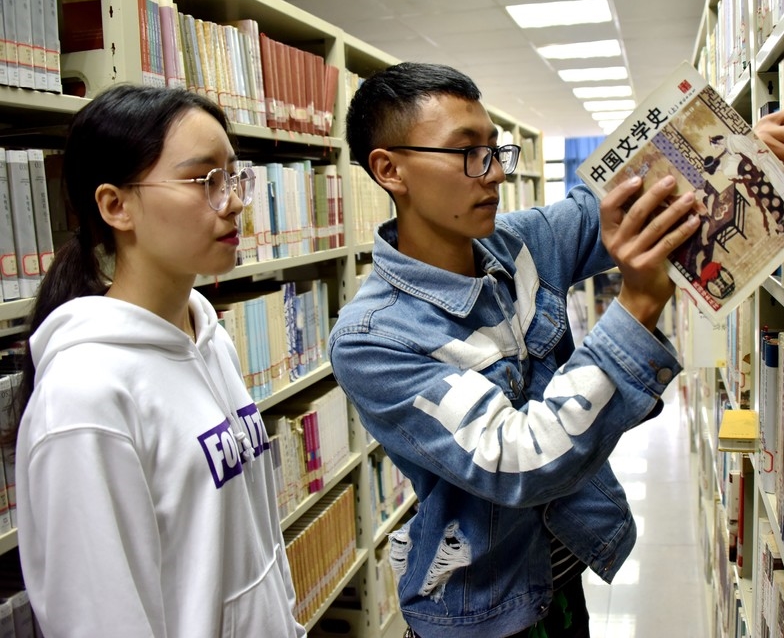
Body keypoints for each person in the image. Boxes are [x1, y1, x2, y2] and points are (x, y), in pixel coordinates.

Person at [329, 61, 702, 638]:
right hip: (486, 611)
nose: (496, 173)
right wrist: (636, 309)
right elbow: (518, 461)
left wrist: (731, 153)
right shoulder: (372, 338)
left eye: (496, 150)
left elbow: (609, 203)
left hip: (561, 574)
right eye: (468, 152)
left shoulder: (518, 242)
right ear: (390, 170)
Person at [13, 85, 305, 637]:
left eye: (234, 176)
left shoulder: (209, 338)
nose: (235, 201)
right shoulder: (84, 397)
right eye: (205, 181)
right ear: (116, 206)